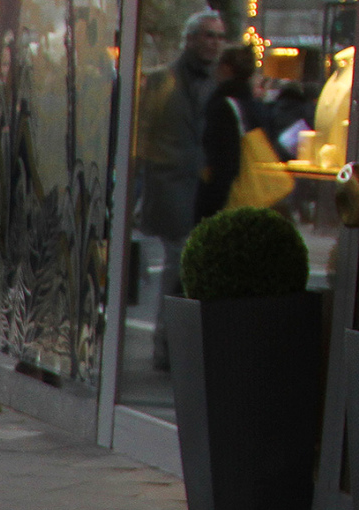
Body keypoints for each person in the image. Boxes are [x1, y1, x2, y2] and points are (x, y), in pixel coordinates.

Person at [135, 10, 227, 368]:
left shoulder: (220, 84)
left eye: (219, 37)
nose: (214, 43)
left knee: (191, 267)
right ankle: (167, 346)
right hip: (170, 183)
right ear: (190, 39)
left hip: (203, 186)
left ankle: (179, 346)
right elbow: (142, 135)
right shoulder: (162, 80)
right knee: (177, 263)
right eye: (208, 35)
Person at [196, 45, 278, 218]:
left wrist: (209, 207)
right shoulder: (254, 106)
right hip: (253, 196)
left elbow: (224, 162)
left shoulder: (224, 108)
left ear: (226, 69)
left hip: (227, 200)